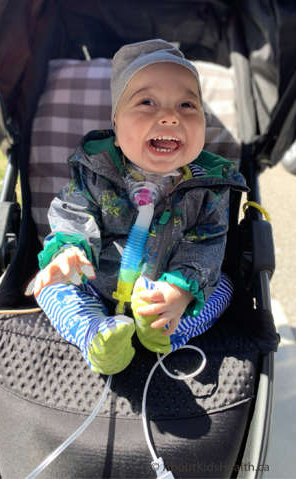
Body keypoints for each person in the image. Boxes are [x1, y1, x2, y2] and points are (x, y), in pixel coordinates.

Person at [33, 39, 247, 375]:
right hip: (97, 284)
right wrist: (69, 250)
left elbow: (208, 242)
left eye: (188, 106)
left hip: (166, 296)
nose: (170, 116)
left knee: (224, 289)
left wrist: (178, 290)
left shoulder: (208, 187)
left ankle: (161, 336)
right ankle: (95, 335)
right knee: (50, 287)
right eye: (147, 102)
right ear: (116, 130)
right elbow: (74, 212)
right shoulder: (96, 171)